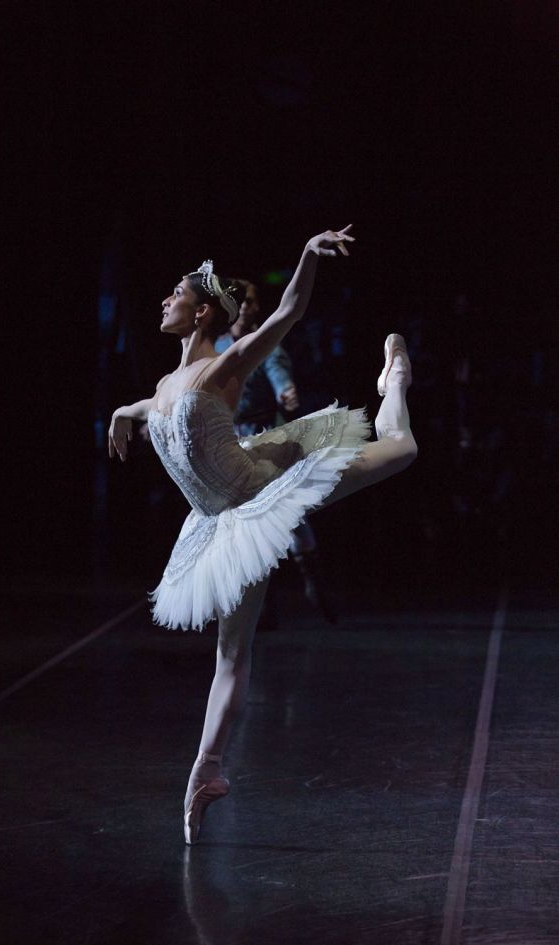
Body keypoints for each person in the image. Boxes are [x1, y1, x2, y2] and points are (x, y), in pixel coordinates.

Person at [109, 225, 417, 845]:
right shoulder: (167, 386)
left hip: (264, 495)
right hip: (222, 522)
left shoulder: (227, 362)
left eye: (174, 295)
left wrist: (306, 253)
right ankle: (206, 773)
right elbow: (150, 407)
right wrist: (121, 413)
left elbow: (288, 311)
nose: (162, 302)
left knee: (403, 448)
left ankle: (397, 380)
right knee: (230, 652)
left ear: (201, 312)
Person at [215, 280, 335, 621]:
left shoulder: (265, 344)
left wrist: (287, 391)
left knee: (287, 515)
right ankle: (260, 601)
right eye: (244, 301)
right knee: (244, 524)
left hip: (264, 436)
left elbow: (277, 370)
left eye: (253, 302)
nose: (251, 307)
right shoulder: (217, 346)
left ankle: (311, 578)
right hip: (230, 440)